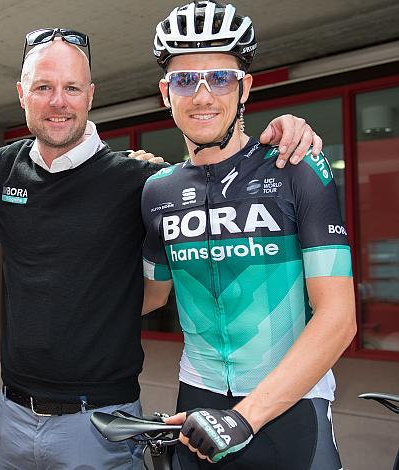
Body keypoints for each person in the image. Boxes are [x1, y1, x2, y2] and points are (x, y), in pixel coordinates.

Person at [0, 29, 323, 469]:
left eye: (69, 88)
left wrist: (285, 130)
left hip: (101, 425)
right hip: (12, 418)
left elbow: (203, 191)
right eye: (43, 87)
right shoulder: (0, 169)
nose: (56, 101)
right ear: (22, 95)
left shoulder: (142, 181)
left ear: (90, 95)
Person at [141, 3, 356, 468]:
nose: (202, 96)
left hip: (291, 407)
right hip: (196, 398)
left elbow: (339, 318)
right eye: (184, 81)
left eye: (219, 77)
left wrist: (245, 417)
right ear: (165, 93)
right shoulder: (157, 190)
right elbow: (150, 298)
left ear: (246, 87)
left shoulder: (296, 167)